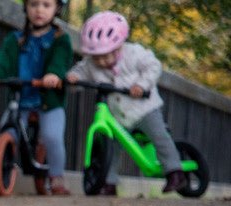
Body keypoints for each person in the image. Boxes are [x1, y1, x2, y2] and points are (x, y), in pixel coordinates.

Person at [66, 11, 187, 195]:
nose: (101, 61)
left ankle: (175, 171)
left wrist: (141, 85)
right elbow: (80, 72)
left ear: (119, 46)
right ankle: (108, 182)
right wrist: (73, 78)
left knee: (159, 136)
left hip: (144, 109)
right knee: (110, 146)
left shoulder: (134, 53)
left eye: (106, 55)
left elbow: (153, 66)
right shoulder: (91, 63)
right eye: (96, 57)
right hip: (117, 116)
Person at [0, 0, 73, 195]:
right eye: (33, 4)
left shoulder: (60, 39)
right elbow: (3, 60)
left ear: (57, 9)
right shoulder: (15, 39)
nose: (39, 10)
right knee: (6, 129)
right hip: (21, 100)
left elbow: (60, 60)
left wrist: (53, 74)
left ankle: (57, 177)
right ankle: (0, 175)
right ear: (26, 8)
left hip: (48, 101)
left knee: (52, 136)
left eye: (46, 5)